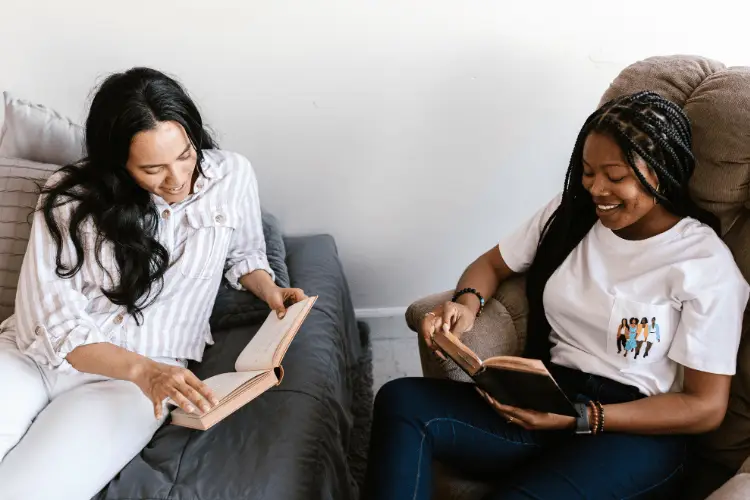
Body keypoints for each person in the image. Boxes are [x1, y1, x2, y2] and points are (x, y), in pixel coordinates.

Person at [364, 91, 749, 499]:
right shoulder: (570, 216)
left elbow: (705, 407)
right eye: (587, 171)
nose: (596, 188)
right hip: (552, 394)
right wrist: (466, 303)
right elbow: (492, 265)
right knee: (402, 401)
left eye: (615, 176)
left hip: (638, 431)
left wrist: (584, 419)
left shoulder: (703, 264)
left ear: (660, 171)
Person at [0, 68, 306, 500]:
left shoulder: (232, 175)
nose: (177, 178)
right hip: (34, 358)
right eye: (152, 168)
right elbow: (49, 317)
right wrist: (145, 371)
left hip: (130, 387)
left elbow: (244, 252)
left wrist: (268, 289)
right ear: (118, 164)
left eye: (185, 154)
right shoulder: (68, 196)